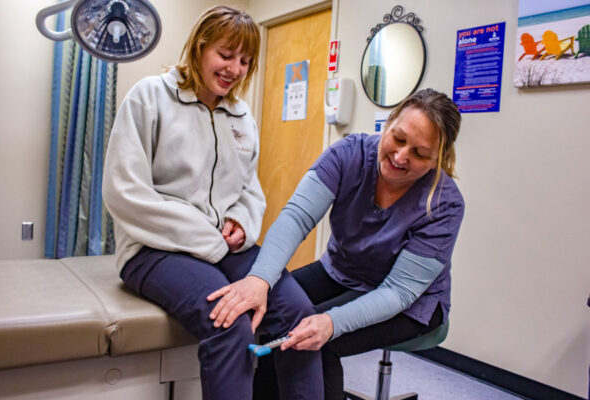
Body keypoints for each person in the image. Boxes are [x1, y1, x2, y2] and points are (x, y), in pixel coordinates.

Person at [102, 6, 323, 400]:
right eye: (225, 54)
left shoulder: (240, 117)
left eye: (244, 60)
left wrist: (241, 222)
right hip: (153, 248)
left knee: (300, 314)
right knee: (230, 323)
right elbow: (125, 191)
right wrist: (206, 240)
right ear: (200, 47)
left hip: (224, 246)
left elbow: (249, 189)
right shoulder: (150, 97)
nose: (234, 68)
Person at [208, 88, 465, 399]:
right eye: (398, 139)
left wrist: (331, 323)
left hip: (412, 304)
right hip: (343, 271)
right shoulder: (349, 155)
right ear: (389, 123)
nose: (400, 157)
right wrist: (259, 279)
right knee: (280, 313)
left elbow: (399, 291)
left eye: (420, 154)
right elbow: (297, 217)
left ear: (439, 158)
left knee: (315, 342)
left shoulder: (443, 204)